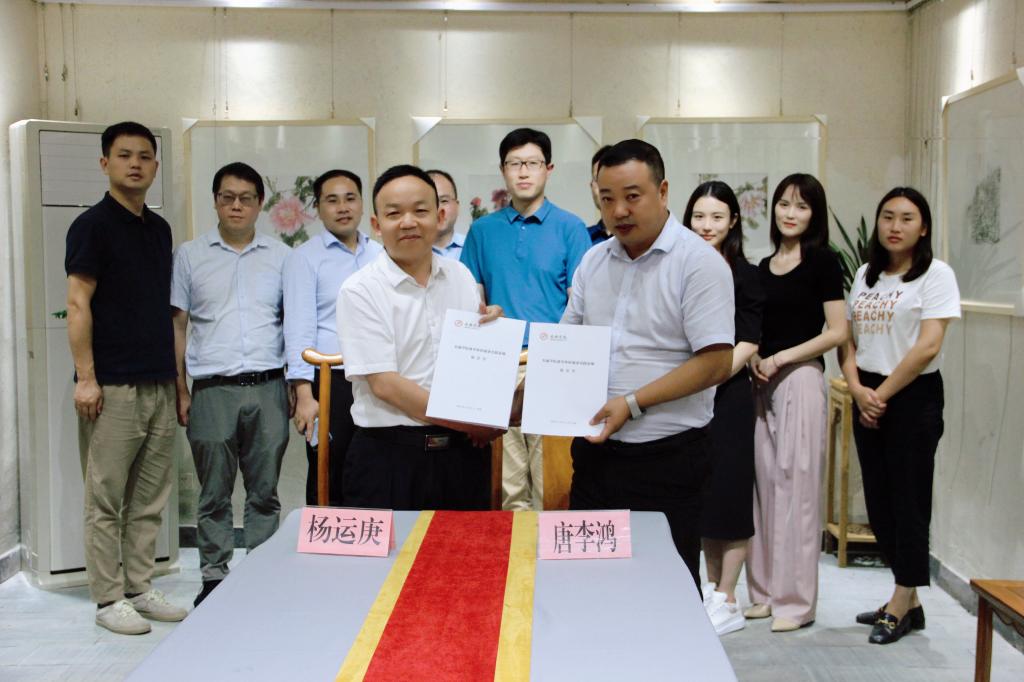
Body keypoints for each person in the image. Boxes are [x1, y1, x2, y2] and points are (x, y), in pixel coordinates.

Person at [561, 139, 735, 591]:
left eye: (632, 196)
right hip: (596, 457)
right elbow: (567, 347)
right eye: (607, 199)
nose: (619, 210)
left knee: (666, 591)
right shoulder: (593, 261)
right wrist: (520, 397)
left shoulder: (699, 264)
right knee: (589, 585)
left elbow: (716, 362)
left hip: (668, 459)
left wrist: (633, 403)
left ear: (663, 191)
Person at [65, 121, 187, 634]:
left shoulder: (159, 229)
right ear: (105, 163)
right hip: (112, 385)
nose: (135, 164)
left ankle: (139, 586)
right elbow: (77, 303)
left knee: (150, 498)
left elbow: (167, 313)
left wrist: (179, 384)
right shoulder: (91, 226)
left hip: (159, 380)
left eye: (144, 156)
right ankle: (107, 599)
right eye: (123, 155)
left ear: (155, 166)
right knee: (105, 498)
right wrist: (86, 378)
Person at [337, 165, 504, 510]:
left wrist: (490, 332)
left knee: (466, 545)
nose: (408, 222)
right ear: (376, 224)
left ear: (440, 216)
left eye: (420, 210)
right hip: (390, 459)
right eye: (394, 214)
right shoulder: (360, 290)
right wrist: (471, 422)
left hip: (462, 455)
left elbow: (471, 364)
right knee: (394, 550)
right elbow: (386, 385)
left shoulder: (460, 276)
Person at [839, 188, 960, 645]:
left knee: (909, 501)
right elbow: (848, 338)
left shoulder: (936, 275)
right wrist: (857, 389)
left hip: (911, 396)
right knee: (880, 502)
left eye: (907, 218)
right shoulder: (866, 275)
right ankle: (908, 601)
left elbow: (928, 346)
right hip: (868, 390)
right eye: (887, 216)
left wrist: (880, 396)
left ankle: (900, 601)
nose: (895, 226)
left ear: (923, 227)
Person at [172, 162, 291, 607]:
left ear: (260, 204)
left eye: (246, 198)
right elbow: (178, 325)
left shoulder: (282, 257)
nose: (236, 206)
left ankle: (261, 573)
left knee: (264, 492)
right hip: (211, 390)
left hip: (268, 386)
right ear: (216, 201)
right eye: (227, 197)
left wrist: (296, 387)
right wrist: (181, 389)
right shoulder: (189, 255)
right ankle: (213, 577)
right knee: (213, 493)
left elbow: (292, 323)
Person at [461, 127, 590, 511]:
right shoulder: (482, 230)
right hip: (498, 362)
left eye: (532, 163)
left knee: (552, 481)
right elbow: (471, 297)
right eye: (514, 163)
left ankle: (547, 551)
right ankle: (513, 549)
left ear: (548, 169)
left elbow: (580, 303)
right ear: (502, 170)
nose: (523, 172)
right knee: (507, 484)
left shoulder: (571, 228)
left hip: (553, 362)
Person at [745, 173, 847, 632]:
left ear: (814, 214)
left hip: (802, 378)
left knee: (798, 490)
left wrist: (783, 357)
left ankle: (796, 603)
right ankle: (764, 593)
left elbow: (837, 331)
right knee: (764, 489)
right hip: (761, 381)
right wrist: (756, 359)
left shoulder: (824, 262)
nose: (790, 213)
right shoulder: (762, 267)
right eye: (784, 204)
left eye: (802, 206)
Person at [683, 181, 764, 635]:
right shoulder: (682, 268)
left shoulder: (745, 274)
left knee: (731, 495)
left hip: (728, 394)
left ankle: (729, 596)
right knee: (704, 496)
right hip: (687, 395)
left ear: (733, 221)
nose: (706, 225)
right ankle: (712, 592)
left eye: (716, 217)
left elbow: (748, 339)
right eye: (699, 216)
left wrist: (710, 375)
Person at [283, 169, 382, 507]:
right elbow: (298, 327)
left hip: (377, 377)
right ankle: (328, 539)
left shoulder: (381, 254)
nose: (343, 207)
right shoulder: (304, 258)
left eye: (350, 198)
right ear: (318, 208)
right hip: (330, 379)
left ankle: (370, 538)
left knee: (372, 467)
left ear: (362, 203)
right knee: (328, 470)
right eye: (332, 200)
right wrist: (304, 394)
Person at [426, 169, 465, 259]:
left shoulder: (472, 247)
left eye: (444, 201)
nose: (438, 209)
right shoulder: (407, 253)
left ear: (457, 206)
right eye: (430, 201)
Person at [586, 145, 612, 246]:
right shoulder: (581, 237)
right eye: (598, 179)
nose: (605, 187)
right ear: (591, 186)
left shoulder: (640, 238)